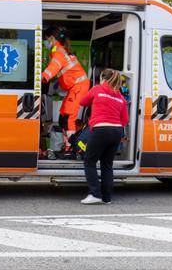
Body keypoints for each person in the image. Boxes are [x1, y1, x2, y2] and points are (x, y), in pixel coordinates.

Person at [77, 68, 129, 205]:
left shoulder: (97, 89)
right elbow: (125, 120)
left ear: (103, 79)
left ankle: (95, 194)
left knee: (90, 161)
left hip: (101, 129)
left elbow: (82, 102)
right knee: (107, 164)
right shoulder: (121, 97)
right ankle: (107, 198)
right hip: (117, 131)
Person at [41, 26, 90, 156]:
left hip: (78, 86)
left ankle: (74, 148)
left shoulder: (58, 52)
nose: (45, 43)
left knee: (68, 117)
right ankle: (69, 144)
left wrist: (41, 78)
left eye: (45, 40)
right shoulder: (61, 51)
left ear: (51, 38)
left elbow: (52, 69)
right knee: (63, 115)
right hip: (75, 87)